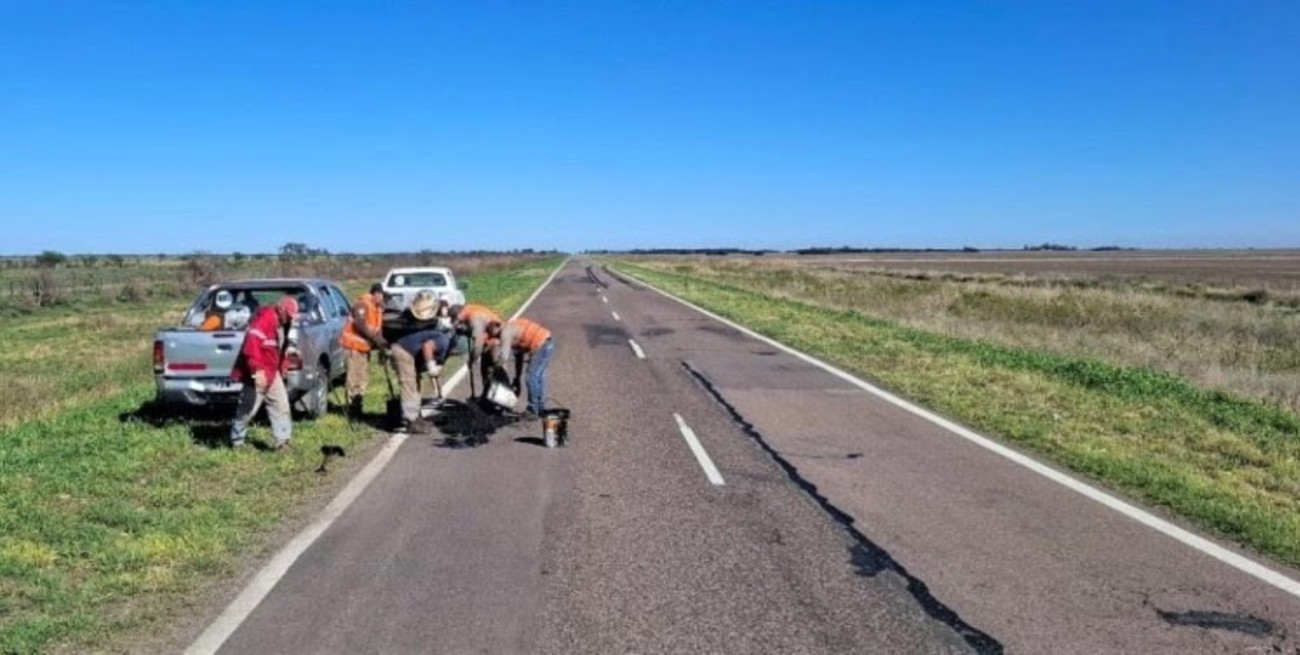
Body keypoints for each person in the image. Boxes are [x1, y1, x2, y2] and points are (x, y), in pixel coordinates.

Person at [229, 295, 299, 450]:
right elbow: (250, 349)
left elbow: (278, 349)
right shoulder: (263, 321)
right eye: (288, 315)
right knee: (248, 408)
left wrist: (284, 365)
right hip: (256, 372)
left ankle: (283, 442)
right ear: (280, 308)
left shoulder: (282, 324)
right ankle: (237, 441)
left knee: (281, 405)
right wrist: (257, 372)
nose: (289, 319)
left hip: (272, 372)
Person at [390, 293, 452, 433]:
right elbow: (427, 347)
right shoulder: (443, 340)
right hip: (402, 350)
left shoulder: (439, 335)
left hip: (410, 350)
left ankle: (416, 416)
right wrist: (432, 368)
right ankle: (411, 421)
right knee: (409, 384)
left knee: (416, 382)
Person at [487, 316, 554, 419]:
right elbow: (519, 357)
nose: (495, 337)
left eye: (493, 333)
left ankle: (533, 410)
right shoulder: (514, 331)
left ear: (497, 326)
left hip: (541, 344)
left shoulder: (506, 332)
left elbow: (503, 357)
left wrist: (497, 374)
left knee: (532, 377)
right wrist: (517, 378)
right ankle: (539, 407)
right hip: (548, 343)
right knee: (539, 377)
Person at [340, 283, 388, 420]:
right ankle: (351, 408)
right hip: (353, 346)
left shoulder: (376, 309)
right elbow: (361, 324)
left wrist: (382, 345)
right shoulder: (362, 304)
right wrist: (377, 340)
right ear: (376, 293)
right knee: (354, 378)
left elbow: (376, 330)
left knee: (362, 378)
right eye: (381, 295)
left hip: (364, 348)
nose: (382, 299)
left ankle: (358, 405)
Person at [450, 303, 502, 400]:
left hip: (495, 343)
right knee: (485, 370)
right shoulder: (470, 310)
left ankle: (498, 400)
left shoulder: (474, 316)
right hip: (490, 340)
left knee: (494, 371)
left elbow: (478, 342)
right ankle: (487, 397)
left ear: (458, 316)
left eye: (455, 320)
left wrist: (472, 360)